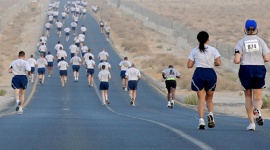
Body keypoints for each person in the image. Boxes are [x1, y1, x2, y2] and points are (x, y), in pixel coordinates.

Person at [234, 19, 270, 131]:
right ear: (256, 29)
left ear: (245, 29)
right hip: (259, 68)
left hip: (246, 69)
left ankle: (251, 123)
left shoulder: (241, 42)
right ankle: (258, 111)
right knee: (258, 97)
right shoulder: (261, 41)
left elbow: (236, 60)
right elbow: (267, 58)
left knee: (248, 96)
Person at [187, 31, 221, 130]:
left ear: (198, 39)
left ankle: (201, 120)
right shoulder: (213, 50)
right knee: (209, 98)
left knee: (201, 99)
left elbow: (189, 65)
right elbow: (218, 63)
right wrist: (211, 63)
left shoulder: (194, 50)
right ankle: (210, 114)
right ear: (208, 39)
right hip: (210, 73)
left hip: (199, 73)